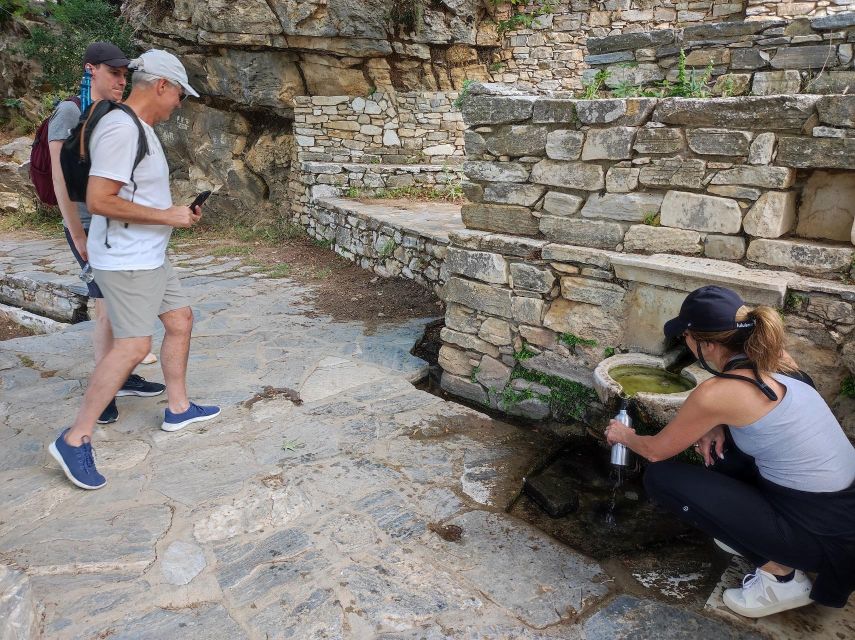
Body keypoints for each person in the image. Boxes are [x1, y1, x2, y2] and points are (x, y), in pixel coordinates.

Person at [605, 285, 855, 617]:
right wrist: (717, 422)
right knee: (721, 451)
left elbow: (655, 451)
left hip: (819, 538)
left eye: (687, 338)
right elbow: (757, 413)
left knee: (661, 478)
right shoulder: (776, 360)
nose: (686, 345)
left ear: (705, 344)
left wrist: (623, 435)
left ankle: (781, 578)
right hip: (840, 513)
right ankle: (751, 535)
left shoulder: (718, 393)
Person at [49, 49, 220, 490]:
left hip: (150, 253)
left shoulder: (139, 127)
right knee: (132, 345)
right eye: (179, 94)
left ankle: (178, 408)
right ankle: (75, 437)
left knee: (180, 320)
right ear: (161, 85)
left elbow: (134, 196)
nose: (178, 104)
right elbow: (100, 199)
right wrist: (169, 217)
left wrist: (174, 214)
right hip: (127, 259)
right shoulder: (122, 129)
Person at [48, 41, 162, 425]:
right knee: (104, 311)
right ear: (90, 69)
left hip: (112, 222)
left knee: (113, 309)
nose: (120, 80)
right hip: (87, 221)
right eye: (114, 73)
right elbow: (58, 176)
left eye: (124, 75)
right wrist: (75, 231)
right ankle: (107, 387)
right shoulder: (69, 111)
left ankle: (122, 378)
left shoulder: (114, 113)